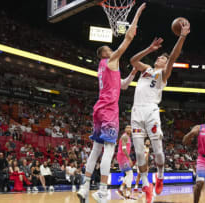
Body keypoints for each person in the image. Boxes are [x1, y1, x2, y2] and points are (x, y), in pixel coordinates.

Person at [77, 3, 146, 203]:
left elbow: (123, 86)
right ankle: (102, 190)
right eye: (109, 48)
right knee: (107, 149)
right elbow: (129, 37)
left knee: (96, 149)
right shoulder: (111, 59)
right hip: (108, 110)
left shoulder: (104, 66)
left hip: (99, 108)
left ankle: (84, 187)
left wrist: (133, 72)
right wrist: (138, 14)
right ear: (105, 53)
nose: (112, 49)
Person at [129, 19, 190, 203]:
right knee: (139, 153)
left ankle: (161, 175)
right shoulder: (146, 70)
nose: (160, 59)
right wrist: (149, 49)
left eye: (162, 58)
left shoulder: (163, 74)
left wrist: (182, 37)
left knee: (157, 150)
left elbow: (173, 57)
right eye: (159, 57)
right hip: (136, 112)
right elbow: (133, 60)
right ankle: (147, 186)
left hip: (151, 111)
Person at [116, 125, 133, 199]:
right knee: (130, 174)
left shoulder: (128, 137)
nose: (129, 128)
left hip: (124, 157)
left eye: (130, 127)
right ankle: (128, 192)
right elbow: (124, 148)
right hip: (123, 157)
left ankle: (121, 189)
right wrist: (129, 158)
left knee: (128, 174)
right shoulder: (124, 136)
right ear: (125, 129)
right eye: (127, 127)